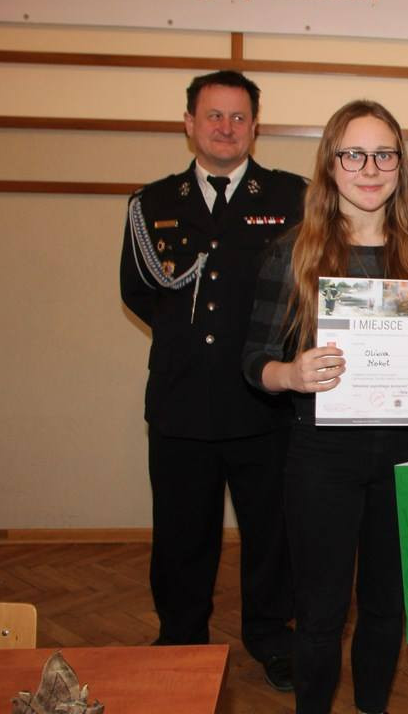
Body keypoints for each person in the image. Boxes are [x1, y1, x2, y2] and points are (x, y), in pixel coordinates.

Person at [242, 99, 408, 714]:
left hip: (405, 454)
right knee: (320, 615)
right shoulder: (293, 253)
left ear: (400, 164)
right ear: (330, 163)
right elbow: (253, 361)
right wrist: (290, 373)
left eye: (383, 155)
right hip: (322, 458)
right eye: (354, 154)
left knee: (386, 608)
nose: (369, 169)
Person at [119, 70, 300, 691]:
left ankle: (272, 636)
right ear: (189, 123)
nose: (226, 128)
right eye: (214, 116)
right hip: (183, 400)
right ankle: (180, 636)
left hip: (264, 402)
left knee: (270, 533)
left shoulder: (293, 198)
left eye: (238, 117)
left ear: (255, 126)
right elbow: (139, 291)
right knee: (181, 533)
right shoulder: (152, 204)